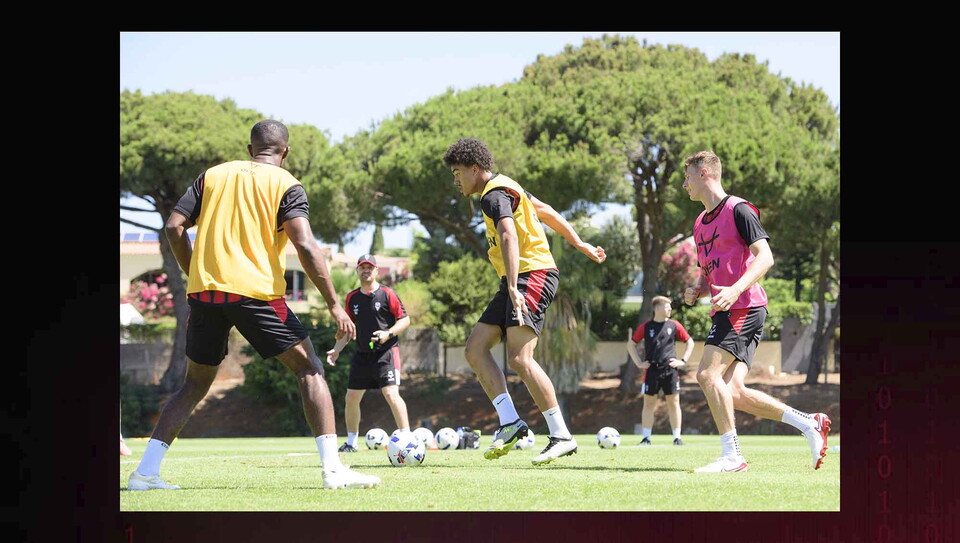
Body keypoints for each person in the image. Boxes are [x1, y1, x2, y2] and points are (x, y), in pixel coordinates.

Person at [126, 120, 380, 490]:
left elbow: (173, 227)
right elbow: (306, 246)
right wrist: (334, 305)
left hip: (205, 295)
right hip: (255, 294)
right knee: (310, 369)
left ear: (250, 149)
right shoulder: (286, 184)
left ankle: (145, 474)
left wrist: (194, 272)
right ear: (285, 152)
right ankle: (333, 472)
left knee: (193, 385)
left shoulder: (212, 175)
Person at [443, 137, 606, 466]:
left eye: (458, 172)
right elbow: (544, 212)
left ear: (476, 169)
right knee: (475, 348)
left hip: (531, 275)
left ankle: (561, 435)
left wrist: (516, 286)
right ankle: (510, 422)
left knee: (520, 358)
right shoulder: (508, 187)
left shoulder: (493, 195)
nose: (456, 180)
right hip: (516, 279)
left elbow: (507, 234)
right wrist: (580, 244)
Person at [681, 150, 831, 473]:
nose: (685, 184)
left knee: (707, 374)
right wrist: (698, 289)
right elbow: (709, 270)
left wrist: (735, 289)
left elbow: (765, 257)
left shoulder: (739, 210)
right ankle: (809, 424)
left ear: (705, 173)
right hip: (729, 309)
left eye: (688, 177)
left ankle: (732, 456)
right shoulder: (698, 224)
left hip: (744, 306)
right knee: (733, 391)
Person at [326, 254, 412, 452]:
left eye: (369, 267)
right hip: (362, 355)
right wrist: (336, 350)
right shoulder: (352, 298)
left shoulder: (387, 294)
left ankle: (407, 439)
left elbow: (405, 320)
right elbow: (348, 330)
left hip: (387, 353)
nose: (366, 270)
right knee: (351, 398)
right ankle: (351, 443)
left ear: (376, 271)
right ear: (357, 271)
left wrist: (387, 333)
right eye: (362, 267)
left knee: (391, 394)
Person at [627, 295, 694, 446]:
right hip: (651, 370)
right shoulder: (646, 327)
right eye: (667, 306)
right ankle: (646, 438)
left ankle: (677, 438)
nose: (670, 308)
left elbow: (689, 342)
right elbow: (631, 345)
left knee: (674, 402)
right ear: (657, 308)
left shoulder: (674, 325)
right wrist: (638, 363)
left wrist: (682, 361)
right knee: (649, 403)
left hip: (670, 370)